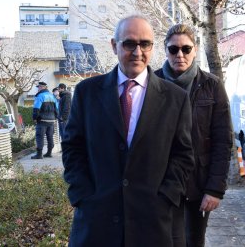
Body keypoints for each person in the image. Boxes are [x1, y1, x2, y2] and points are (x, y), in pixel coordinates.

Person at [62, 15, 194, 247]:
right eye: (129, 43)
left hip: (151, 222)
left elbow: (183, 155)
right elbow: (73, 147)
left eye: (145, 44)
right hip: (96, 221)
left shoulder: (176, 98)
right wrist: (82, 195)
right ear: (114, 45)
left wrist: (166, 197)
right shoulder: (87, 92)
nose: (137, 52)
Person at [155, 24, 232, 247]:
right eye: (173, 49)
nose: (180, 55)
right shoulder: (153, 82)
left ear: (195, 50)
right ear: (165, 50)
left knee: (193, 242)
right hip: (161, 183)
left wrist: (215, 189)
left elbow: (222, 140)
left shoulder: (212, 85)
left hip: (198, 184)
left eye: (186, 49)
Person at [31, 81, 58, 159]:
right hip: (51, 120)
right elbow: (57, 109)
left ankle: (39, 154)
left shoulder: (40, 96)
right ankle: (49, 153)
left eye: (39, 87)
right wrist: (55, 118)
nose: (38, 89)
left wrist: (35, 118)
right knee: (50, 137)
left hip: (42, 120)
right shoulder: (52, 96)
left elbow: (36, 109)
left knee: (40, 136)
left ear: (43, 87)